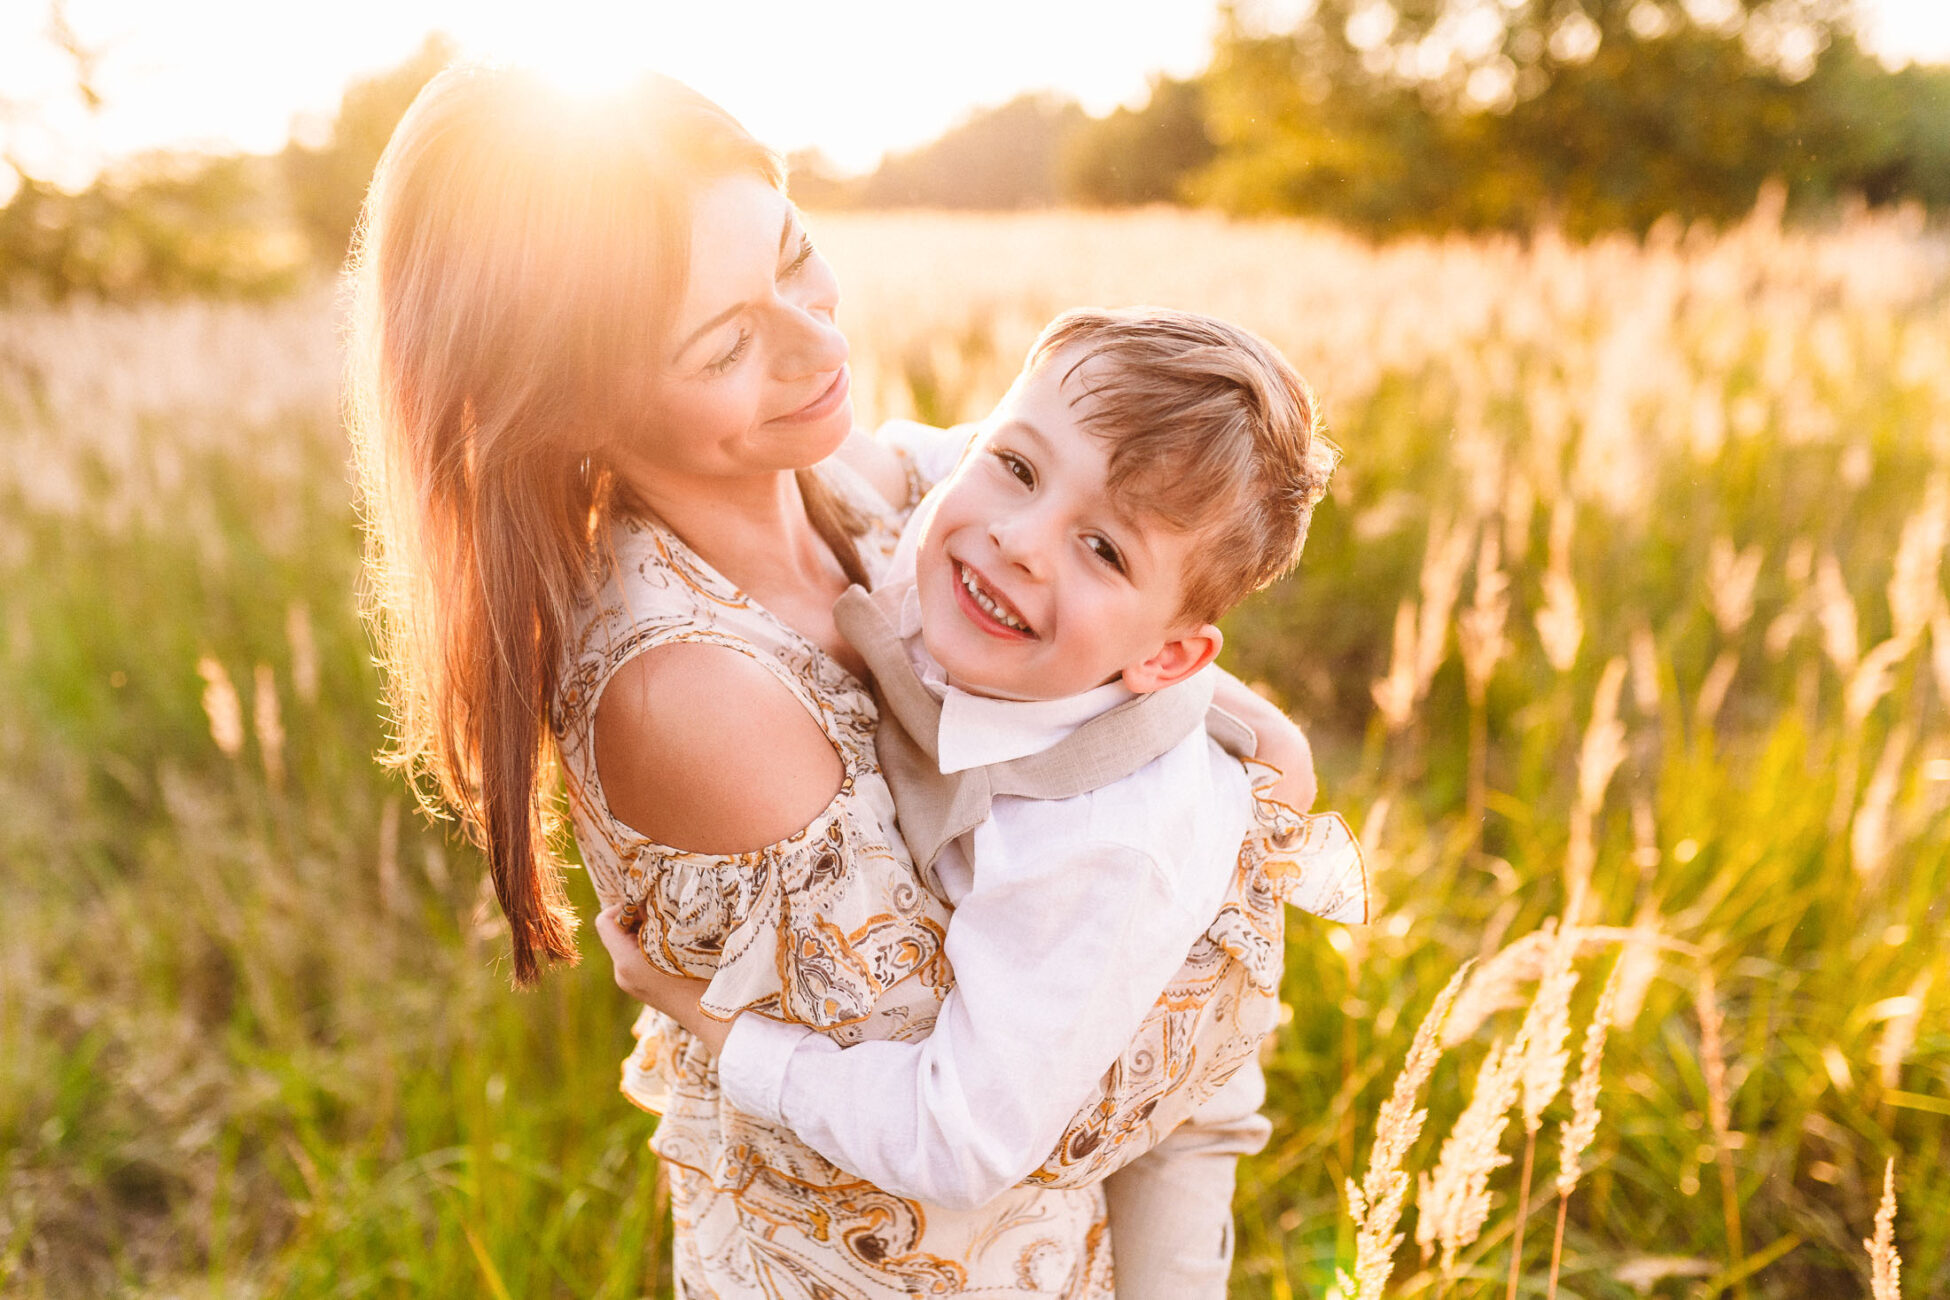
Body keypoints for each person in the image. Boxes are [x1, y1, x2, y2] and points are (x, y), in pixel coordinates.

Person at [348, 61, 1348, 1298]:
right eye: (725, 342)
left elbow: (1121, 629)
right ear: (571, 407)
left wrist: (1237, 731)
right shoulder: (692, 693)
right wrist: (1240, 905)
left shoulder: (862, 488)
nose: (819, 342)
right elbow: (969, 1135)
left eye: (792, 253)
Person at [599, 308, 1369, 1299]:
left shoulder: (1100, 844)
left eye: (1104, 549)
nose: (1019, 541)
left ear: (1166, 657)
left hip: (1171, 1056)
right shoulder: (960, 520)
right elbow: (893, 465)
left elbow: (960, 1138)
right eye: (1016, 465)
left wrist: (713, 1026)